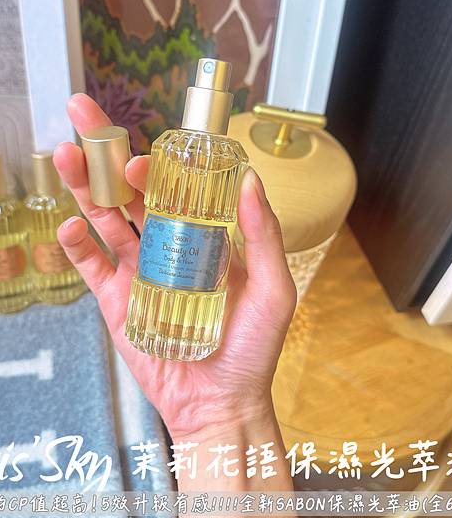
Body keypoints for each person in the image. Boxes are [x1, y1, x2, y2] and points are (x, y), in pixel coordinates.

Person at [53, 93, 297, 493]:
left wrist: (225, 415)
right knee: (138, 180)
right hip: (156, 316)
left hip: (201, 332)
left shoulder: (227, 157)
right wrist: (220, 422)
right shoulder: (170, 145)